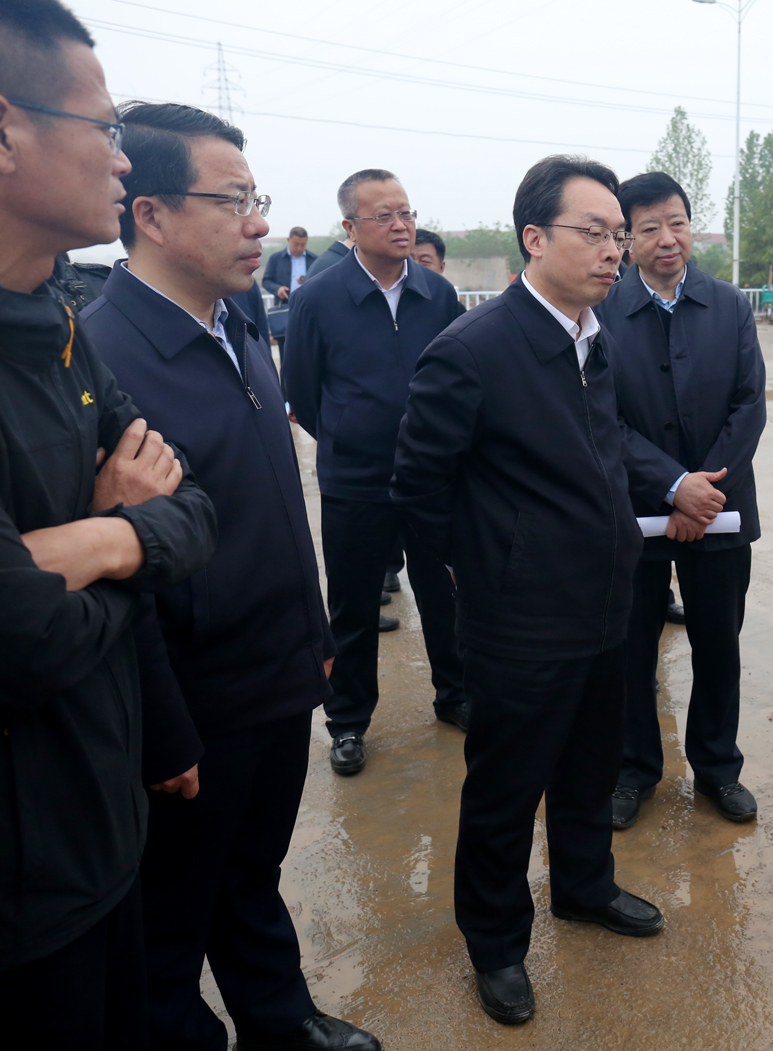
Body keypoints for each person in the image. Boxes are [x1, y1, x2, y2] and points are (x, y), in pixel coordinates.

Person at [83, 101, 380, 1051]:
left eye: (259, 200)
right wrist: (163, 727)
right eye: (231, 201)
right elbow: (115, 568)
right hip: (192, 703)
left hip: (274, 675)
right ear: (150, 213)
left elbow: (275, 508)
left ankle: (280, 1019)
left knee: (251, 873)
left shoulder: (237, 326)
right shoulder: (104, 356)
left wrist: (316, 639)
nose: (257, 223)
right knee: (168, 914)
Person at [392, 154, 666, 1027]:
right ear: (535, 238)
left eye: (619, 235)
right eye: (595, 232)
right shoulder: (472, 349)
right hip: (520, 620)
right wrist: (485, 570)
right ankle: (497, 939)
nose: (614, 250)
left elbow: (604, 453)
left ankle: (585, 886)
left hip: (606, 604)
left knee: (590, 768)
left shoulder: (594, 337)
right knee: (506, 789)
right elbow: (419, 489)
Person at [0, 4, 217, 1044]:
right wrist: (132, 547)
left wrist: (93, 541)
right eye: (105, 128)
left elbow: (194, 508)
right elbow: (20, 639)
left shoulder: (60, 330)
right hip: (18, 897)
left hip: (102, 833)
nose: (125, 161)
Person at [282, 168, 468, 776]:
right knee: (353, 607)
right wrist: (348, 436)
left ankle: (455, 695)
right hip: (355, 482)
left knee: (444, 595)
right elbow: (303, 390)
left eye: (406, 213)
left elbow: (458, 382)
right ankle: (348, 721)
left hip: (432, 478)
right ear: (350, 227)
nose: (400, 225)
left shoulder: (437, 294)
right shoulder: (317, 298)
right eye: (383, 215)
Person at [596, 171, 767, 832]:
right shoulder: (602, 311)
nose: (667, 239)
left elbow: (749, 404)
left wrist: (704, 492)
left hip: (720, 509)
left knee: (719, 644)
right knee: (630, 648)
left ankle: (718, 766)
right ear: (626, 239)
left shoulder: (728, 305)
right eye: (648, 228)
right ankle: (632, 768)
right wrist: (673, 485)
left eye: (677, 223)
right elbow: (602, 417)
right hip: (635, 511)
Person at [261, 225, 316, 303]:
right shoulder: (275, 258)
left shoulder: (314, 259)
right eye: (296, 244)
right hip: (284, 304)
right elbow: (266, 281)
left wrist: (307, 281)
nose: (299, 248)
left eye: (303, 245)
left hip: (308, 304)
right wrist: (277, 289)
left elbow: (320, 282)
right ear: (288, 240)